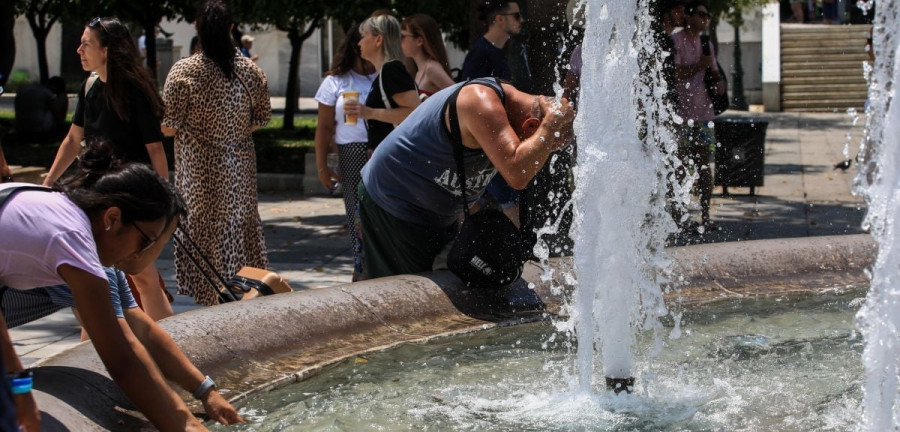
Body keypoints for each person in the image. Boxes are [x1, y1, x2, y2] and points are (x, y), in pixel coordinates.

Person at [0, 139, 209, 431]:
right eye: (146, 240)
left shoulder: (58, 211)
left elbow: (138, 332)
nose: (143, 254)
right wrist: (181, 425)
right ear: (112, 218)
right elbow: (121, 360)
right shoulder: (72, 242)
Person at [358, 79, 575, 279]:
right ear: (531, 125)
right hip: (393, 200)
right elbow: (517, 174)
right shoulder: (480, 101)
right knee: (403, 300)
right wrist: (550, 125)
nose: (540, 161)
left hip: (435, 213)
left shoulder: (506, 112)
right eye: (543, 150)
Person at [42, 16, 174, 321]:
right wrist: (49, 182)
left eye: (86, 44)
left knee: (142, 277)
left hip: (131, 198)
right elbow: (73, 140)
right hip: (95, 198)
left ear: (107, 50)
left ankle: (171, 342)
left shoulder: (134, 90)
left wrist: (164, 201)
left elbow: (156, 149)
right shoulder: (89, 87)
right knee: (91, 276)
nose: (79, 50)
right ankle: (93, 347)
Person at [162, 0, 271, 307]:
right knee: (240, 231)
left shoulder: (184, 71)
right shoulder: (251, 71)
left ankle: (211, 302)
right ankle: (244, 291)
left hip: (199, 174)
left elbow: (169, 127)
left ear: (197, 28)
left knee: (204, 239)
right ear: (231, 29)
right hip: (240, 173)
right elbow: (261, 118)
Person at [314, 24, 376, 281]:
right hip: (350, 151)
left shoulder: (384, 75)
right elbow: (325, 127)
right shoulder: (336, 81)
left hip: (381, 148)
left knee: (381, 211)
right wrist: (322, 166)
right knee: (355, 211)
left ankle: (377, 265)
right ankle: (360, 265)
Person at [460, 0, 528, 227]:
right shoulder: (480, 54)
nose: (521, 20)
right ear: (499, 19)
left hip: (500, 139)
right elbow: (467, 99)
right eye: (516, 16)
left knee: (508, 200)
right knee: (506, 202)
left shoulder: (504, 51)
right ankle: (505, 254)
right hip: (488, 143)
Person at [673, 0, 724, 233]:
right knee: (681, 166)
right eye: (701, 14)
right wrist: (697, 67)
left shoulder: (706, 43)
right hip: (681, 115)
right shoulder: (676, 41)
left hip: (703, 113)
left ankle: (705, 215)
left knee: (704, 166)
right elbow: (674, 74)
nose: (704, 19)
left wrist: (720, 83)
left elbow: (713, 72)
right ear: (689, 16)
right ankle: (681, 217)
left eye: (707, 16)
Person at [344, 14, 420, 152]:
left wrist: (370, 112)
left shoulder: (391, 70)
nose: (359, 43)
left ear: (378, 40)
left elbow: (414, 113)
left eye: (363, 36)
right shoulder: (384, 73)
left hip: (397, 159)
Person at [400, 14, 455, 100]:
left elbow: (458, 95)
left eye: (402, 37)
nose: (399, 41)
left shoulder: (431, 68)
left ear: (419, 41)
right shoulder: (419, 70)